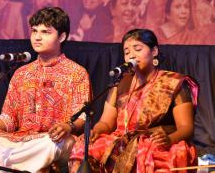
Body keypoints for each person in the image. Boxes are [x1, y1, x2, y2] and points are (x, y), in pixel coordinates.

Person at [0, 7, 91, 172]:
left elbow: (82, 119)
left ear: (62, 36)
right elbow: (8, 119)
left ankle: (1, 165)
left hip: (52, 140)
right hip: (20, 141)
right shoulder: (21, 74)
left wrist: (67, 127)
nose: (37, 37)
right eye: (34, 31)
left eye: (45, 32)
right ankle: (17, 165)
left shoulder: (76, 73)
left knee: (54, 144)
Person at [69, 29, 198, 172]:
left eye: (137, 49)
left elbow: (186, 128)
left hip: (155, 142)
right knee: (84, 148)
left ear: (154, 51)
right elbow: (106, 122)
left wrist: (169, 139)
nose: (131, 55)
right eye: (127, 52)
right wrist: (96, 131)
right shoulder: (120, 84)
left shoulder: (173, 83)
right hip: (120, 141)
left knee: (153, 155)